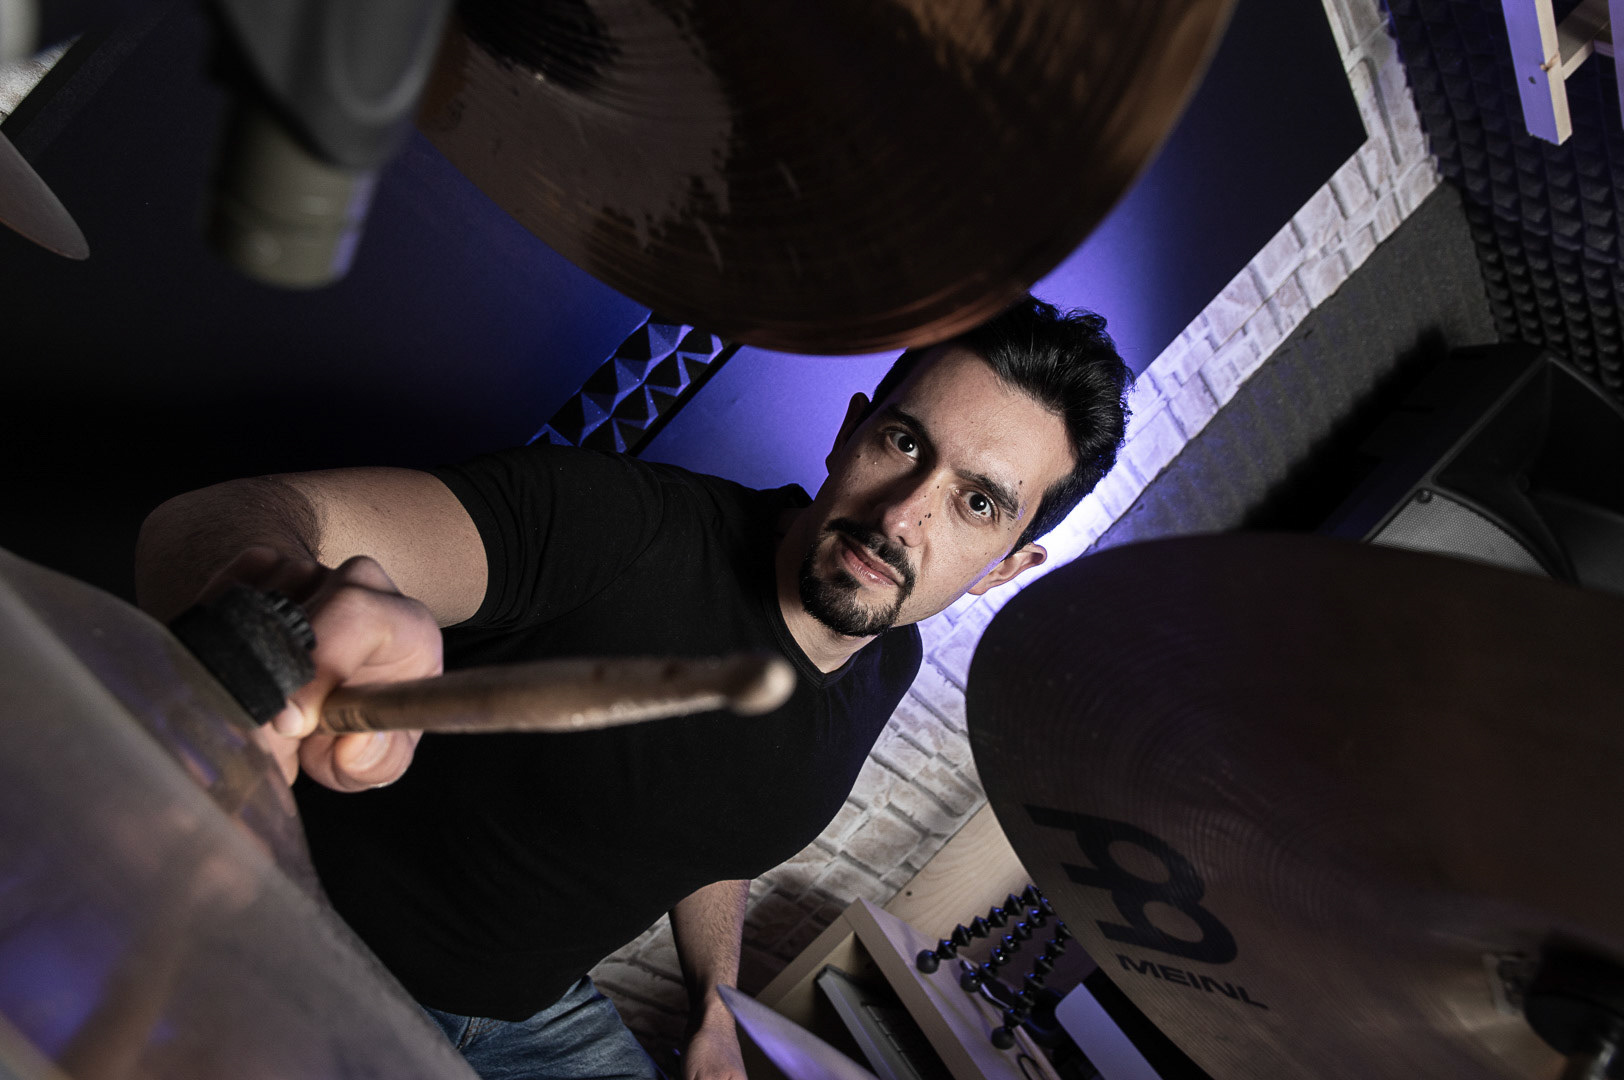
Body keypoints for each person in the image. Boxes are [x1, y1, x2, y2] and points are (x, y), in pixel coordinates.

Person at [133, 297, 1132, 1080]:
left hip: (533, 1015)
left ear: (1006, 566)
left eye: (976, 502)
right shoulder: (621, 530)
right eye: (905, 444)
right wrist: (289, 612)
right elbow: (217, 522)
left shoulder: (886, 657)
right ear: (850, 431)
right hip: (320, 941)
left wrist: (715, 1009)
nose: (904, 516)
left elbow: (713, 828)